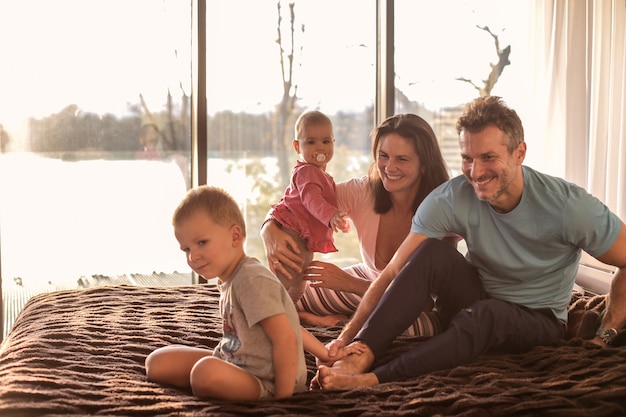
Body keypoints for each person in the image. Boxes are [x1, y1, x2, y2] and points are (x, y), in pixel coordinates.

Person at [312, 96, 626, 391]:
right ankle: (360, 357)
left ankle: (374, 378)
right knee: (431, 252)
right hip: (472, 302)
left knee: (487, 314)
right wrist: (347, 339)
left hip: (537, 320)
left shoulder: (568, 206)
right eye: (467, 158)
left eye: (488, 157)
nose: (475, 172)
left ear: (519, 153)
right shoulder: (452, 197)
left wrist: (606, 334)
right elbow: (394, 270)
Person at [144, 185, 363, 401]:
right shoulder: (229, 278)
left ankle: (240, 385)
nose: (193, 257)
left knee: (203, 373)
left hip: (265, 379)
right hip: (236, 360)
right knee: (157, 362)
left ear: (235, 236)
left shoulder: (251, 279)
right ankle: (218, 375)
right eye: (187, 249)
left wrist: (283, 397)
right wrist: (325, 353)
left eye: (202, 242)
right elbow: (290, 324)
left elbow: (286, 337)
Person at [262, 113, 453, 333]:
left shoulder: (442, 211)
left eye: (402, 159)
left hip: (408, 300)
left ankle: (343, 324)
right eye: (383, 156)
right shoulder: (363, 191)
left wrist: (348, 283)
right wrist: (269, 228)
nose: (389, 167)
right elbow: (300, 203)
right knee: (272, 299)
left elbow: (428, 302)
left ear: (424, 165)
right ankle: (312, 318)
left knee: (419, 328)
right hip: (367, 280)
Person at [267, 110, 350, 302]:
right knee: (290, 278)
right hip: (293, 234)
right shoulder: (308, 172)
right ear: (297, 146)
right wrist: (331, 215)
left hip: (299, 235)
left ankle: (284, 313)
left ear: (333, 143)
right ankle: (265, 310)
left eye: (326, 141)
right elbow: (311, 199)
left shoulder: (315, 173)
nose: (320, 147)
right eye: (311, 142)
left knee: (297, 281)